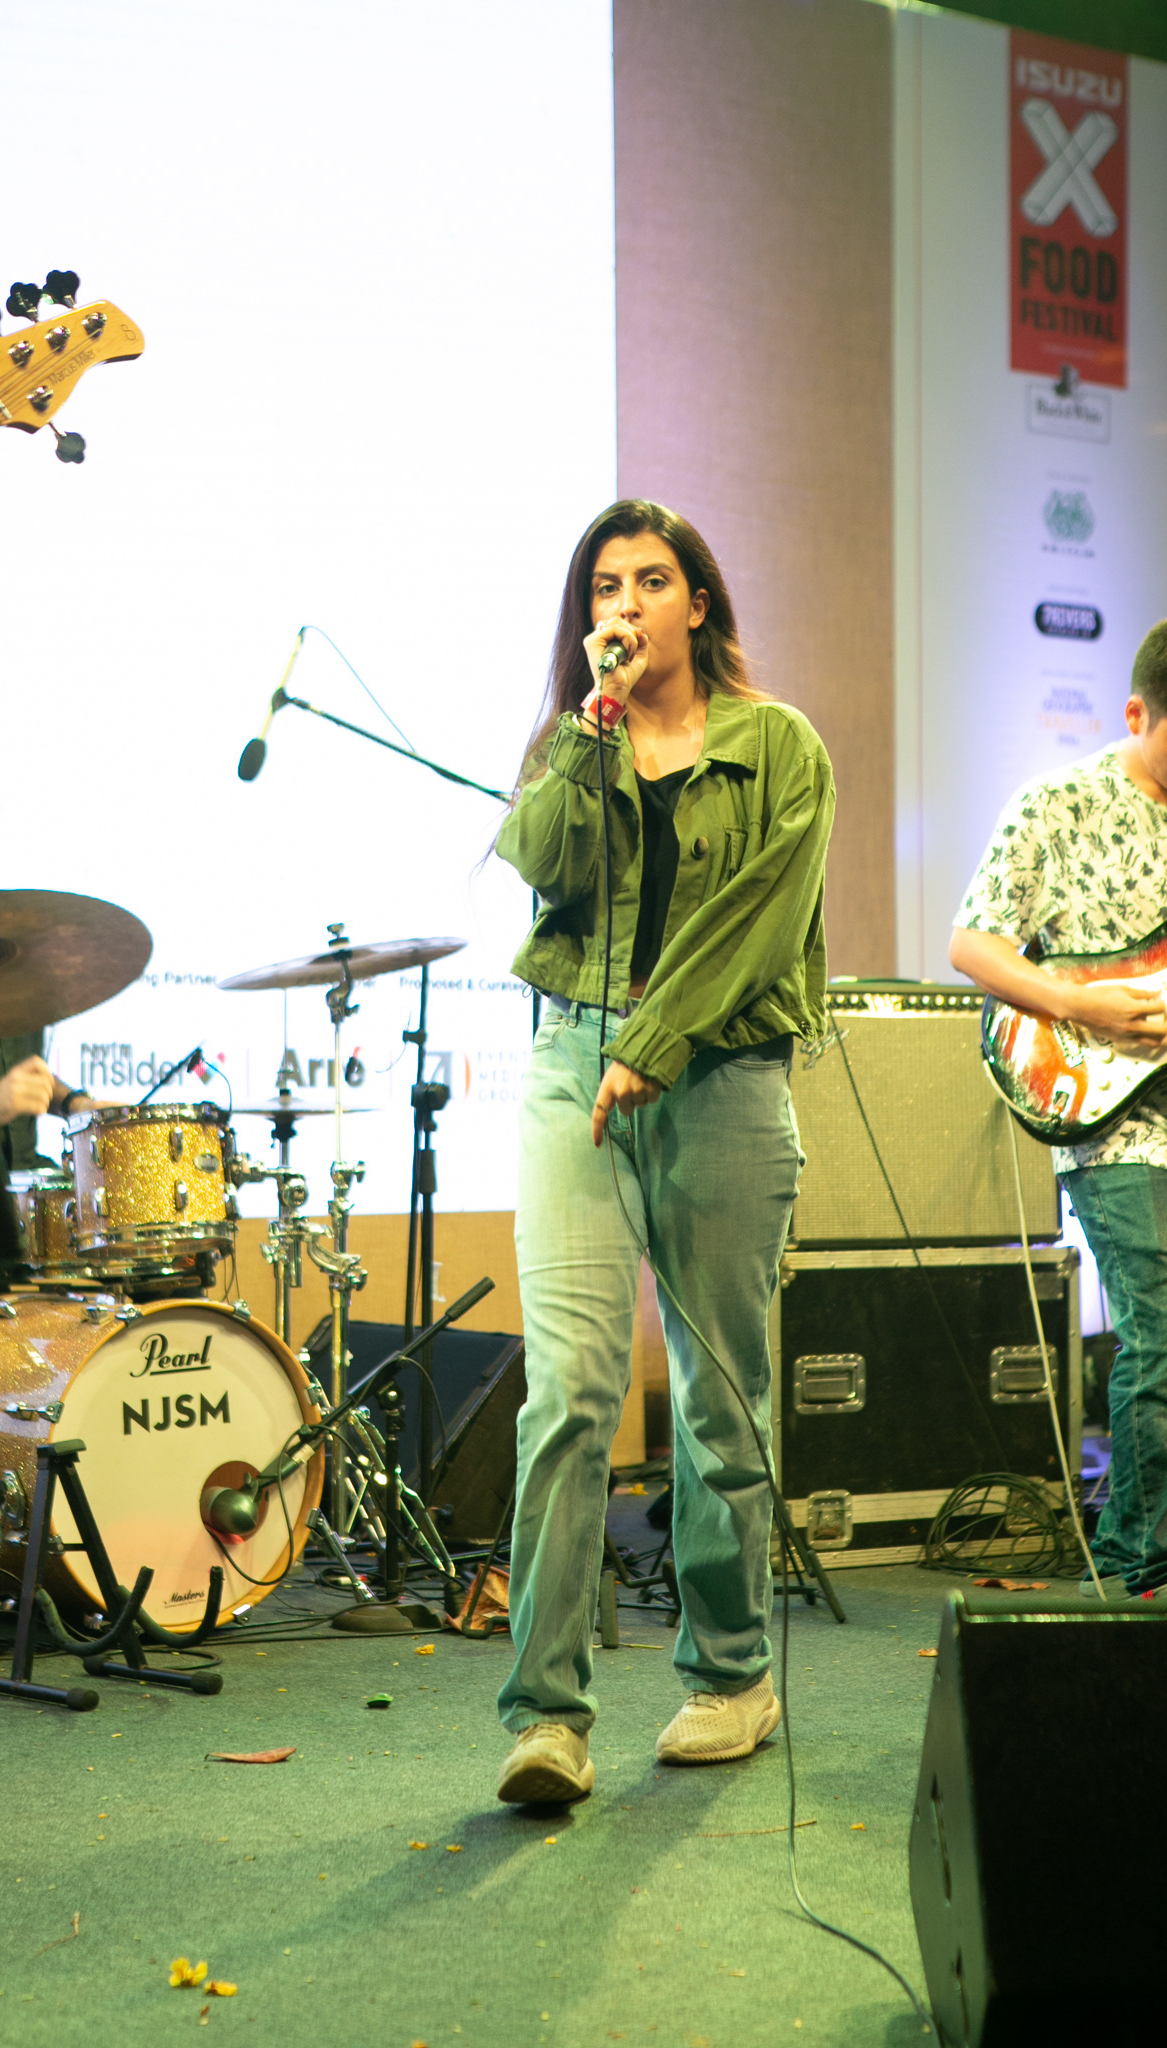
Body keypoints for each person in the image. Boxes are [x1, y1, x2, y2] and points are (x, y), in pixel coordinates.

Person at [492, 499, 834, 1805]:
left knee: (716, 1398)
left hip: (722, 1071)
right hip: (570, 1066)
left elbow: (764, 918)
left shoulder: (778, 745)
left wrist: (660, 1039)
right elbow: (540, 865)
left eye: (649, 581)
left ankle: (730, 1674)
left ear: (698, 601)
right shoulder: (572, 739)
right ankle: (545, 1715)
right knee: (568, 1392)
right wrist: (590, 732)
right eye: (603, 588)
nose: (623, 605)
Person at [950, 612, 1167, 1600]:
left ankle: (1123, 1550)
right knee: (1158, 1337)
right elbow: (973, 944)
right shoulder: (1055, 805)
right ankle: (1156, 1564)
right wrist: (1077, 1003)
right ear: (1135, 713)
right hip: (1112, 1116)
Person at [0, 739, 93, 1305]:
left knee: (117, 1224)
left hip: (24, 1174)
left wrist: (77, 1104)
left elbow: (17, 1070)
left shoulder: (21, 938)